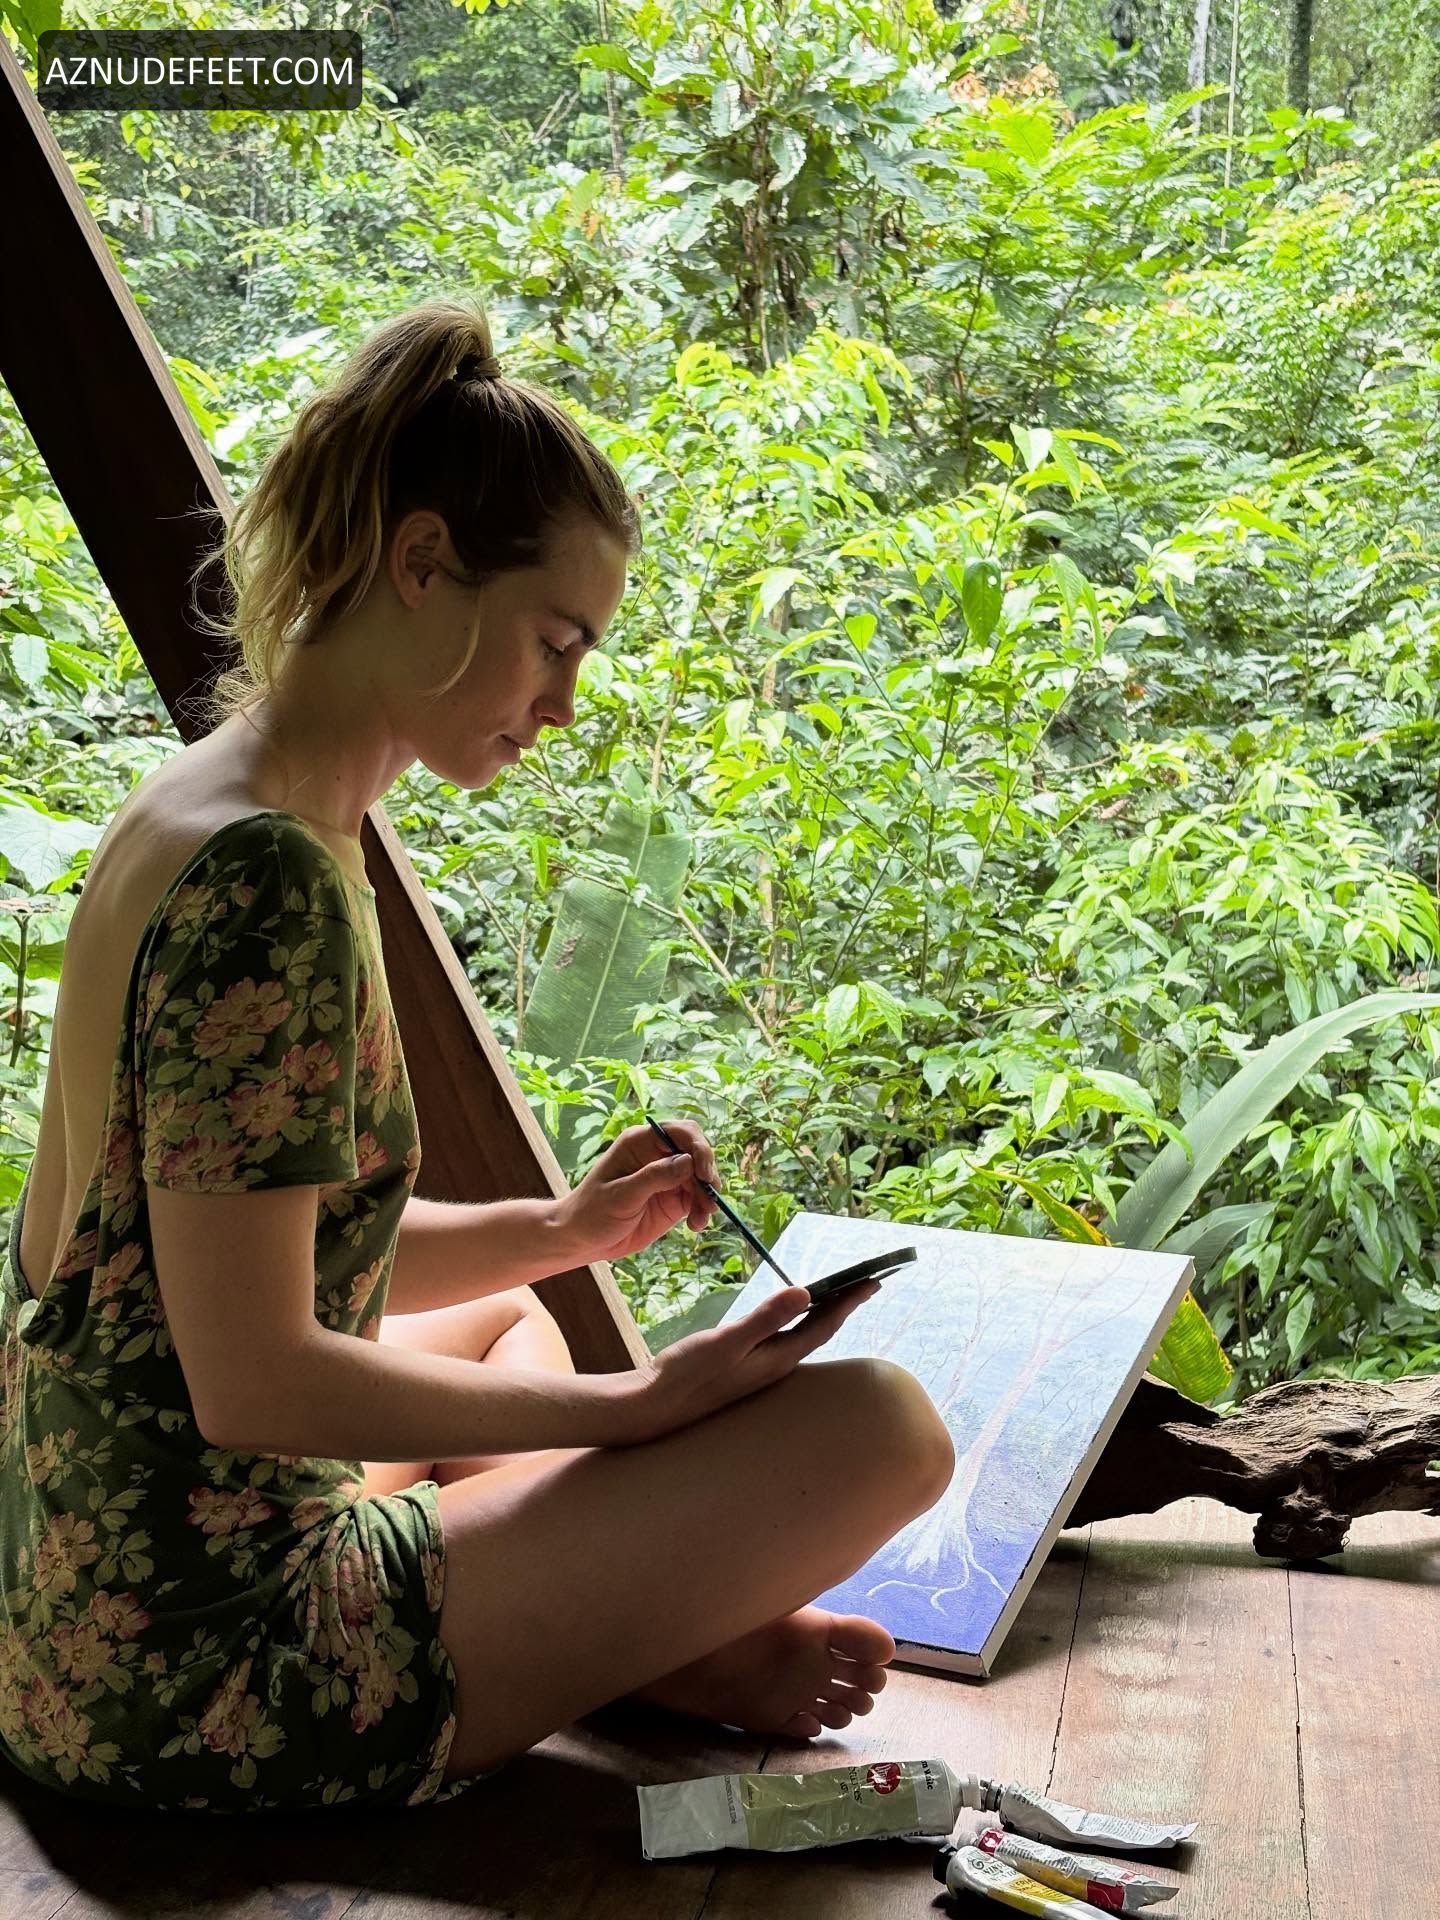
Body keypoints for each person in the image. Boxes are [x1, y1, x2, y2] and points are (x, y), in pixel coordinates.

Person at [0, 298, 955, 1815]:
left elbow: (245, 1264)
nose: (563, 705)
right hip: (198, 1661)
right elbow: (254, 1379)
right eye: (554, 642)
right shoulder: (268, 879)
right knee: (886, 1429)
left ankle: (616, 1628)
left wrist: (567, 1228)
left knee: (514, 1304)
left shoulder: (212, 804)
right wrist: (635, 1409)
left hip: (71, 1579)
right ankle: (641, 1639)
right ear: (423, 561)